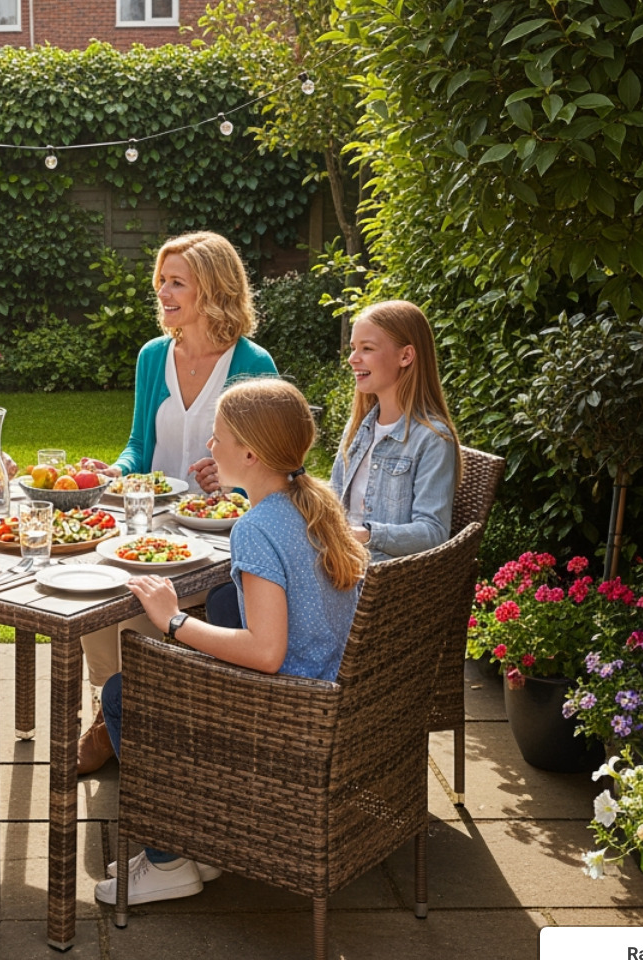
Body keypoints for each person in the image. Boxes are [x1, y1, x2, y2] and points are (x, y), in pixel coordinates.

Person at [92, 377, 368, 906]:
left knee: (125, 695)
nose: (209, 447)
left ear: (249, 451)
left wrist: (173, 620)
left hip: (292, 711)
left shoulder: (257, 527)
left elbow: (265, 654)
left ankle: (169, 859)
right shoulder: (315, 504)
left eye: (217, 437)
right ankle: (204, 844)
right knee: (211, 618)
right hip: (331, 693)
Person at [77, 232, 277, 771]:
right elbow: (140, 445)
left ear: (212, 289)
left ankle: (147, 712)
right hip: (154, 524)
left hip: (223, 534)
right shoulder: (153, 356)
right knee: (97, 582)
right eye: (161, 281)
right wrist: (114, 471)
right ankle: (108, 705)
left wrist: (232, 484)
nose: (163, 292)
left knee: (141, 598)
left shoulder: (252, 361)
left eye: (176, 282)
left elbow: (270, 461)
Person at [328, 299, 461, 562]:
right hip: (340, 565)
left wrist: (364, 535)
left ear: (405, 356)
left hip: (381, 582)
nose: (353, 359)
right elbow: (333, 499)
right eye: (354, 348)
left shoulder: (432, 439)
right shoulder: (358, 427)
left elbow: (433, 533)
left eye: (367, 348)